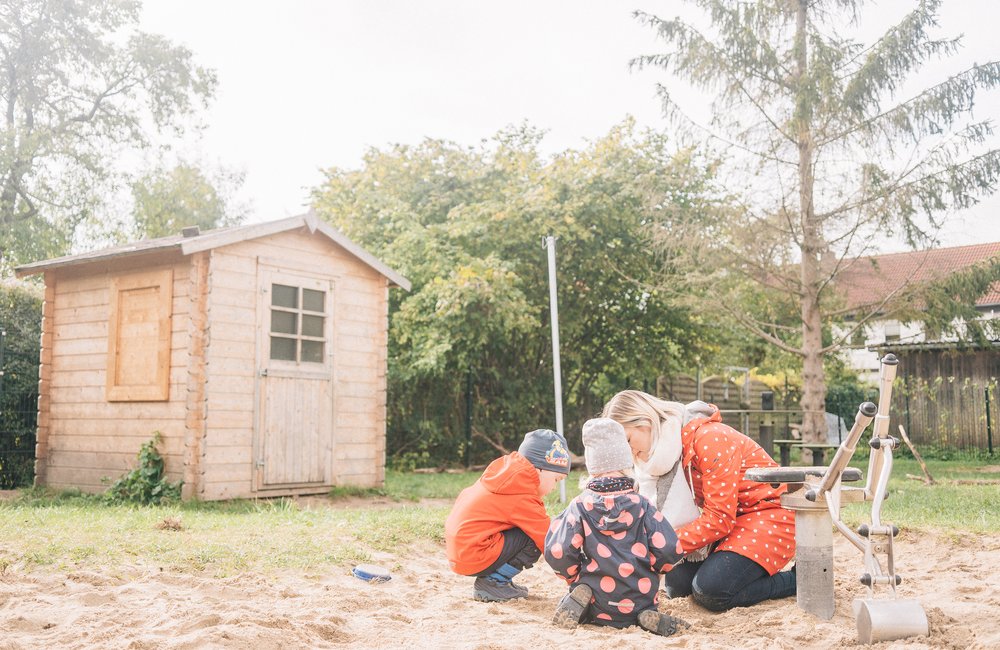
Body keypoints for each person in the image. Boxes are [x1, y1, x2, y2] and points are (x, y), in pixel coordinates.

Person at [602, 390, 796, 611]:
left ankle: (795, 580)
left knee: (712, 592)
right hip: (734, 521)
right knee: (678, 587)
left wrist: (661, 545)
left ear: (645, 421)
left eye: (627, 439)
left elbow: (719, 519)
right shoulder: (663, 454)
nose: (629, 451)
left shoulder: (708, 437)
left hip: (769, 514)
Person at [544, 418, 689, 636]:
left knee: (584, 596)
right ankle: (643, 615)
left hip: (596, 597)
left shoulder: (580, 506)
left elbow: (558, 551)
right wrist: (657, 571)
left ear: (592, 466)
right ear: (625, 462)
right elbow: (670, 549)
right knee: (641, 606)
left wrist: (572, 577)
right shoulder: (642, 505)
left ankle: (582, 606)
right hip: (638, 596)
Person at [445, 428, 570, 602]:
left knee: (525, 530)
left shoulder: (507, 476)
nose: (555, 487)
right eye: (556, 479)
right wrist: (575, 579)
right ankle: (494, 582)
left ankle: (496, 579)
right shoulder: (521, 491)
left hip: (459, 551)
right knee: (532, 538)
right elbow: (549, 540)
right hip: (472, 554)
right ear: (540, 469)